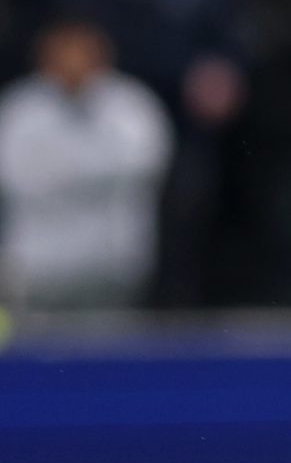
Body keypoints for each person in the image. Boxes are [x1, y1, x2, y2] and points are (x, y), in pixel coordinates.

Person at [0, 17, 172, 311]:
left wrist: (56, 169)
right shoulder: (20, 109)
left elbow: (143, 165)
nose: (73, 60)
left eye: (82, 49)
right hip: (38, 269)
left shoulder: (131, 104)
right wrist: (95, 167)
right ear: (44, 56)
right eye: (64, 49)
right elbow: (16, 178)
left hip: (114, 266)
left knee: (112, 350)